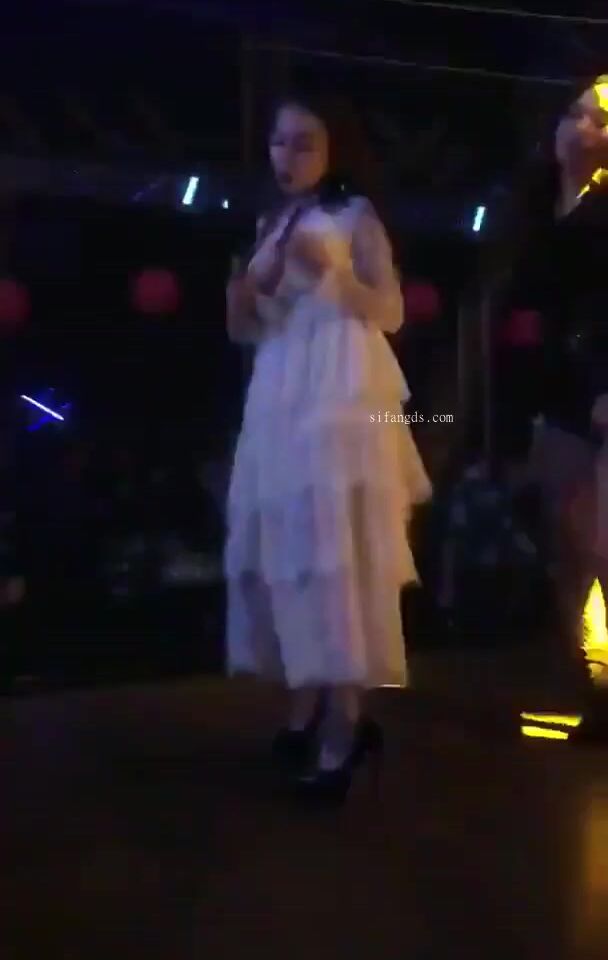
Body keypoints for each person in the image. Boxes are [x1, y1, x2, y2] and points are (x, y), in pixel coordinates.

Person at [224, 90, 431, 803]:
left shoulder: (355, 216)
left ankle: (344, 724)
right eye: (280, 141)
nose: (287, 156)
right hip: (282, 391)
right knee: (294, 551)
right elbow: (254, 328)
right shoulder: (271, 220)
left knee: (339, 553)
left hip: (342, 392)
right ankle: (308, 708)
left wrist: (335, 276)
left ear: (335, 148)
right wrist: (244, 299)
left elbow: (392, 311)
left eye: (305, 142)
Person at [497, 74, 608, 710]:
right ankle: (589, 684)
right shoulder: (535, 206)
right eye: (573, 114)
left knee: (601, 544)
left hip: (598, 387)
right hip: (554, 391)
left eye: (597, 119)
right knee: (568, 549)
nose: (582, 128)